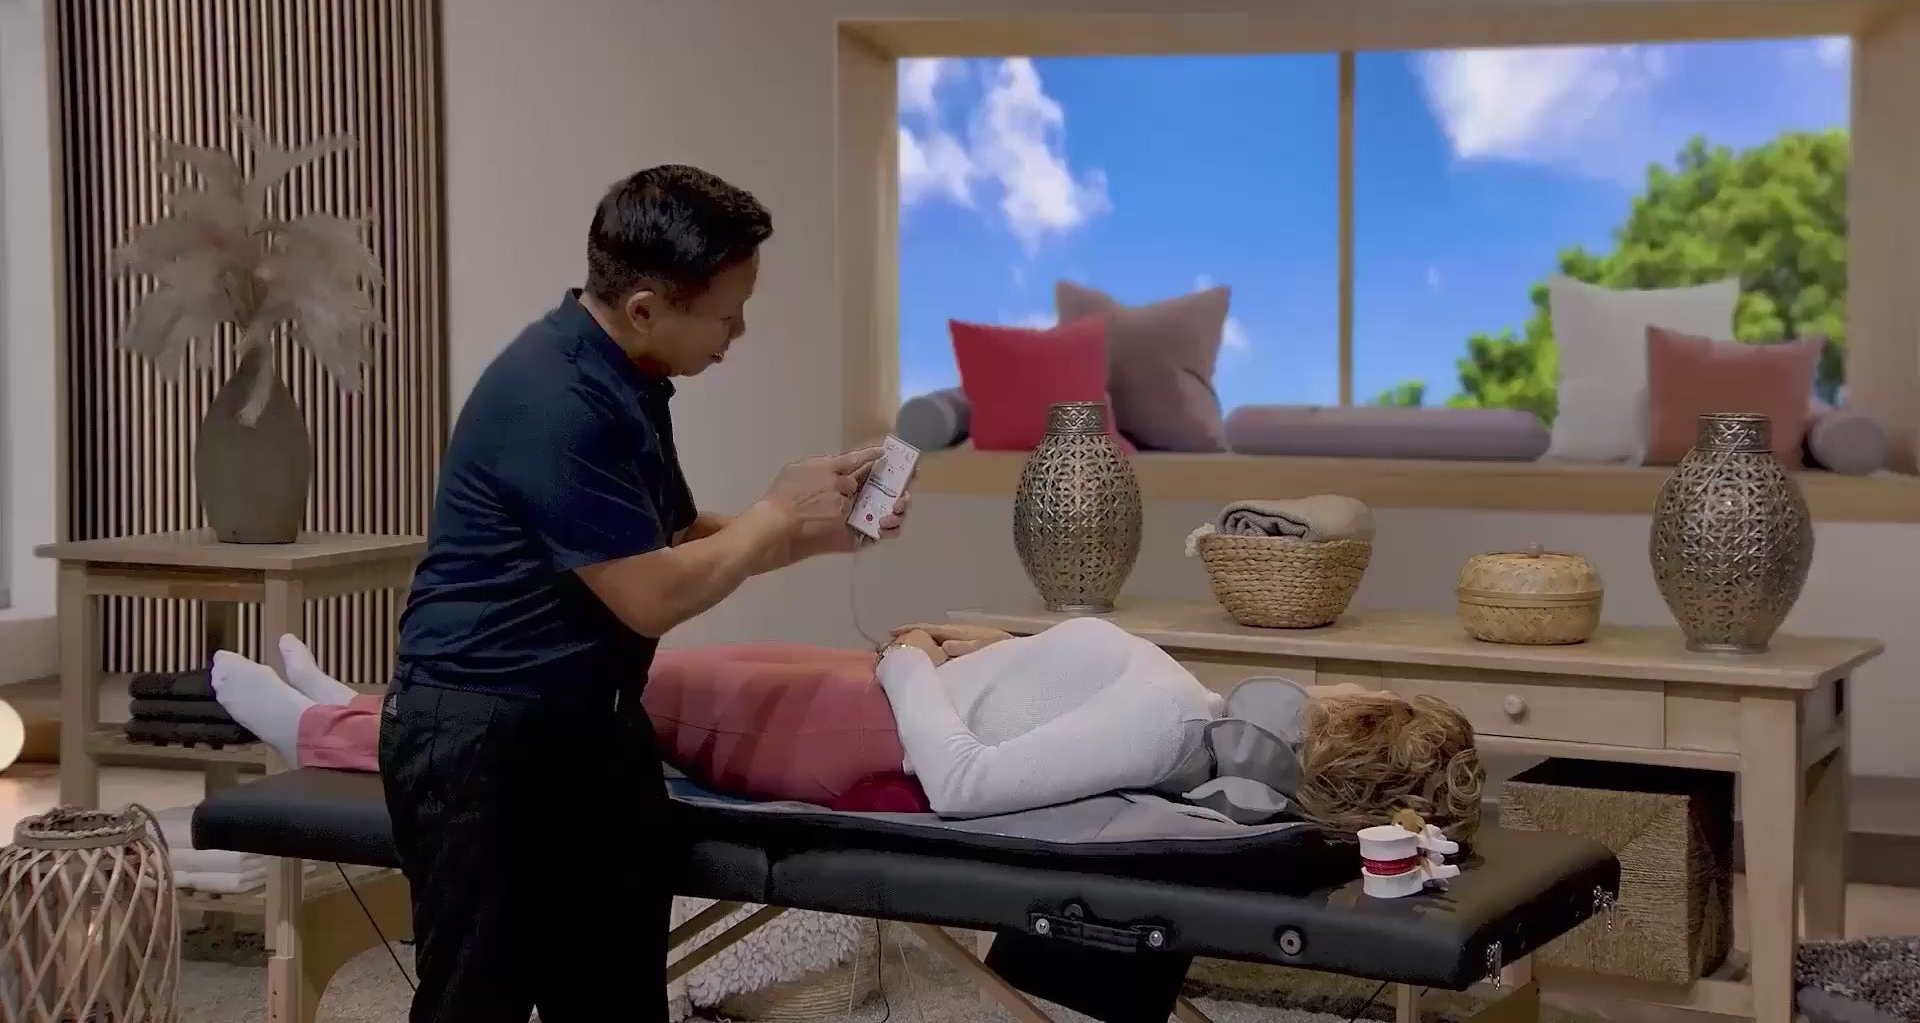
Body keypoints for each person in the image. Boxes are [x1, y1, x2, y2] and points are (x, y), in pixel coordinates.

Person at [373, 165, 909, 1023]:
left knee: (616, 1000)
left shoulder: (628, 376)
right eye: (727, 315)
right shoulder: (558, 398)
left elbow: (672, 539)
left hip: (594, 725)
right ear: (647, 308)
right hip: (483, 734)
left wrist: (816, 532)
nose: (739, 332)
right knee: (477, 1003)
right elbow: (650, 596)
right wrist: (774, 513)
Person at [214, 616, 1483, 836]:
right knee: (610, 673)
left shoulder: (1166, 730)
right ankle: (350, 702)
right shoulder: (1189, 714)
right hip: (869, 688)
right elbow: (1049, 691)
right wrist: (986, 645)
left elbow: (966, 779)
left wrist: (912, 663)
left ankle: (320, 735)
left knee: (580, 698)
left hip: (861, 727)